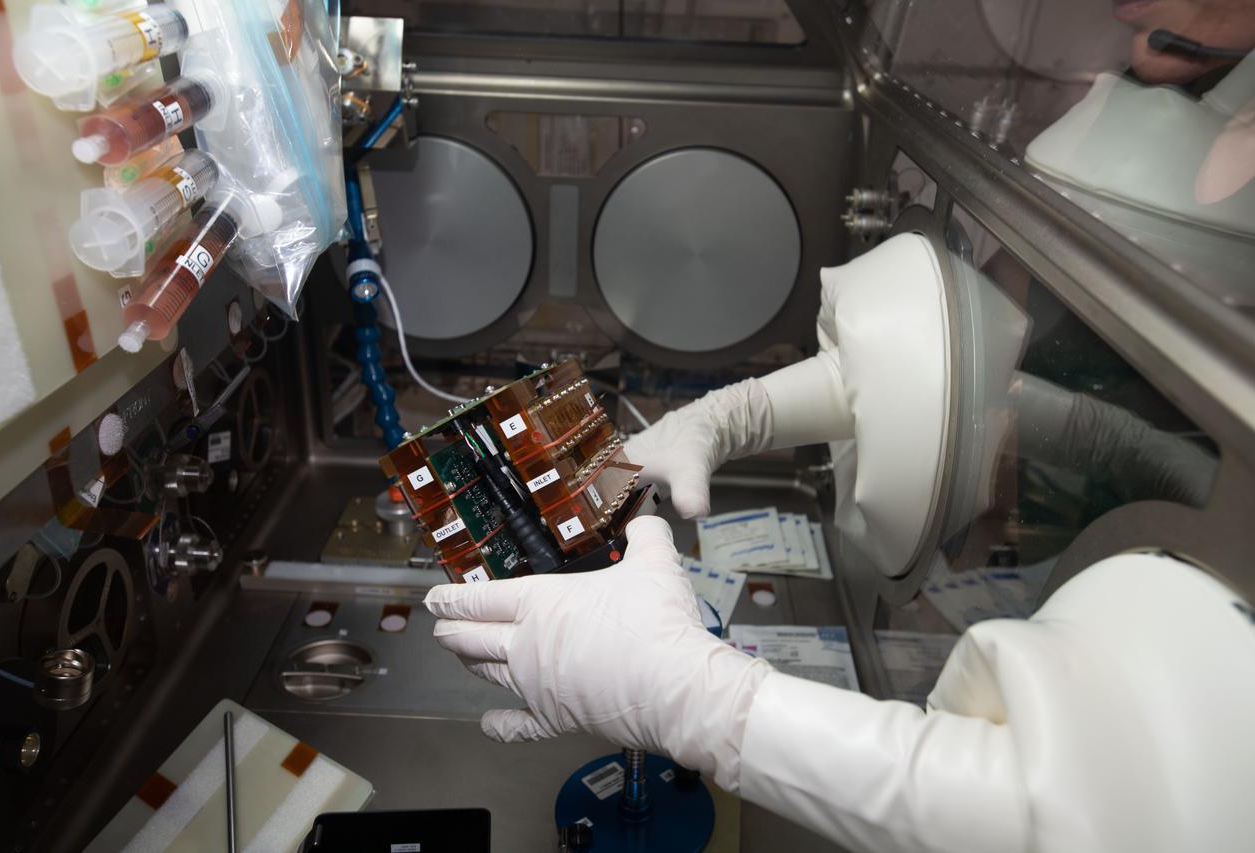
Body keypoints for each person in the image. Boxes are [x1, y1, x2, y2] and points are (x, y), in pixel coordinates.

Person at [424, 8, 1255, 852]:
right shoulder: (1195, 88)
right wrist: (734, 415)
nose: (1125, 14)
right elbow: (1006, 399)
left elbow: (1055, 812)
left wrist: (699, 699)